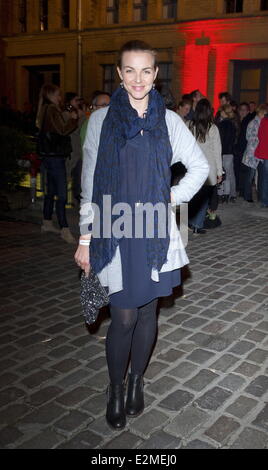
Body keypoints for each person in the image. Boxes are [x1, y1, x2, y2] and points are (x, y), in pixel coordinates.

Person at [74, 40, 209, 430]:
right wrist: (86, 237)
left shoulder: (168, 120)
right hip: (115, 229)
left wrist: (171, 197)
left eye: (145, 71)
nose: (137, 78)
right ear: (119, 74)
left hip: (153, 228)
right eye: (129, 70)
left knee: (148, 312)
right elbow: (89, 184)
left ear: (155, 74)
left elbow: (198, 167)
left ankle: (137, 381)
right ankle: (115, 388)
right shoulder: (101, 121)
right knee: (124, 316)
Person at [36, 84, 78, 243]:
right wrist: (73, 120)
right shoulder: (51, 109)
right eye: (58, 94)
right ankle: (64, 228)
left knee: (51, 190)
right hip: (55, 156)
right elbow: (62, 130)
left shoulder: (45, 109)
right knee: (61, 194)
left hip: (49, 156)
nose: (60, 97)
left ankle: (47, 222)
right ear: (51, 94)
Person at [188, 99, 223, 234]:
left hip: (192, 166)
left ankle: (190, 221)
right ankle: (197, 224)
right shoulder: (212, 128)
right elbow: (216, 151)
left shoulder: (190, 125)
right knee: (204, 198)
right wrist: (219, 172)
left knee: (193, 195)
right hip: (208, 169)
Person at [63, 92, 86, 205]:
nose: (78, 102)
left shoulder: (78, 113)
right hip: (71, 147)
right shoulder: (66, 114)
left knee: (78, 175)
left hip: (78, 148)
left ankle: (74, 198)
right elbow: (72, 129)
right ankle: (65, 198)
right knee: (68, 173)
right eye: (76, 100)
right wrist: (81, 117)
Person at [242, 104, 268, 203]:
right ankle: (247, 196)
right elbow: (248, 137)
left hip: (260, 153)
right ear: (261, 112)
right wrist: (259, 140)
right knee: (250, 176)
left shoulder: (263, 122)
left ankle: (261, 197)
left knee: (261, 176)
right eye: (265, 113)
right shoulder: (253, 122)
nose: (266, 115)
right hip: (252, 153)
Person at [217, 104, 237, 203]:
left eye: (221, 111)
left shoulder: (222, 124)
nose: (220, 112)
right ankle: (232, 194)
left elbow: (221, 140)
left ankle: (223, 194)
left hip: (224, 152)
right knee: (230, 174)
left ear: (224, 112)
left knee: (223, 174)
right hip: (230, 152)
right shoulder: (232, 124)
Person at [234, 102, 254, 194]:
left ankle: (241, 189)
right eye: (241, 110)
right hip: (237, 148)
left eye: (244, 110)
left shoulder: (249, 120)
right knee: (237, 169)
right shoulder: (237, 120)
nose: (242, 112)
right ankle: (238, 187)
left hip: (244, 149)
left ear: (248, 111)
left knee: (243, 170)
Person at [255, 113, 268, 208]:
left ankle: (264, 200)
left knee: (264, 178)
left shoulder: (264, 120)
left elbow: (259, 135)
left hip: (264, 153)